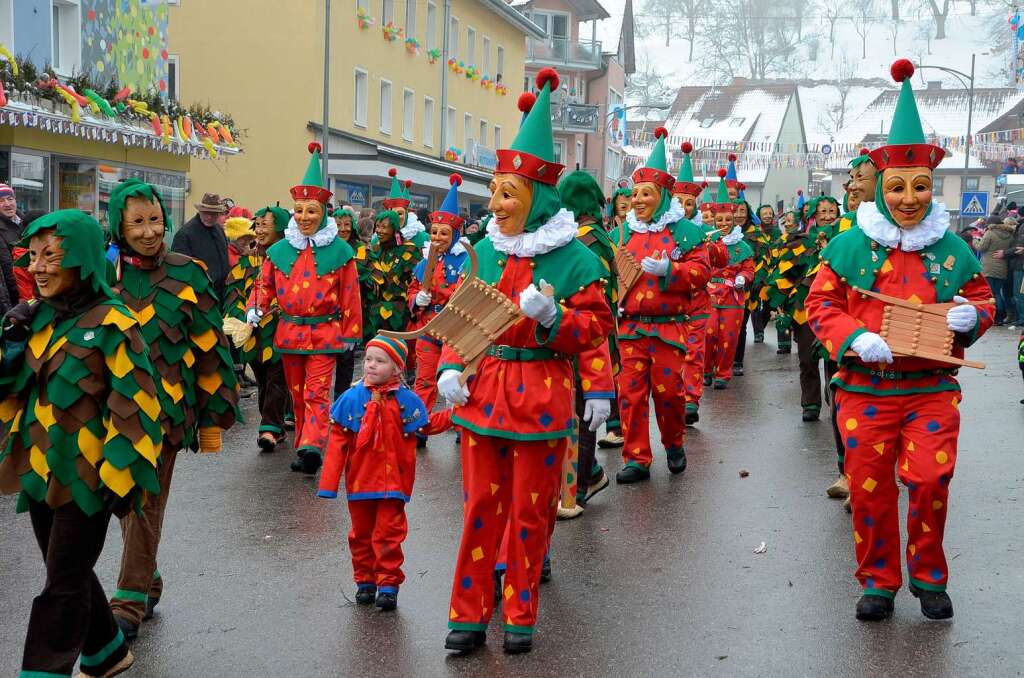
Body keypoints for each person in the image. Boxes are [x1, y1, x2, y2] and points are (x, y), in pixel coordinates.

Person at [806, 59, 995, 622]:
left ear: (930, 187)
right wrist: (854, 337)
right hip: (866, 389)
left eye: (919, 187)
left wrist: (973, 318)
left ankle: (929, 577)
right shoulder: (848, 247)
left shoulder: (953, 249)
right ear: (881, 188)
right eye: (897, 188)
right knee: (868, 489)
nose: (908, 198)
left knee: (931, 479)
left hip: (931, 387)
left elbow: (982, 298)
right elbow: (819, 304)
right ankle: (880, 581)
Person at [437, 68, 612, 655]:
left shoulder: (576, 258)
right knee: (480, 507)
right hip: (483, 394)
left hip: (540, 396)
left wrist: (551, 320)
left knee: (531, 512)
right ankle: (467, 613)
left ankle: (519, 613)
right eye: (494, 191)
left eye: (507, 194)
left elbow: (595, 331)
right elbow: (459, 318)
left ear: (536, 198)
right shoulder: (484, 250)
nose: (496, 203)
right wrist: (448, 367)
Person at [0, 209, 163, 678]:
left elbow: (136, 403)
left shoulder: (114, 323)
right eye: (33, 256)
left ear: (84, 259)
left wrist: (123, 471)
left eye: (51, 256)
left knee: (63, 581)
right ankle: (107, 651)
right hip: (39, 467)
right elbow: (10, 387)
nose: (38, 268)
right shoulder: (39, 318)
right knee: (64, 569)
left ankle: (43, 670)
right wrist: (10, 338)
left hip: (91, 476)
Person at [105, 178, 240, 641]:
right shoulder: (103, 278)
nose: (148, 231)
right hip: (112, 412)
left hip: (168, 413)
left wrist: (214, 420)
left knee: (145, 501)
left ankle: (127, 601)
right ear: (119, 226)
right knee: (123, 500)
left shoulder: (188, 273)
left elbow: (210, 349)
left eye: (155, 220)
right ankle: (148, 577)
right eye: (137, 222)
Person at [247, 143, 363, 476]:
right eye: (299, 211)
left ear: (323, 212)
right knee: (296, 395)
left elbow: (350, 295)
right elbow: (264, 285)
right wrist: (255, 308)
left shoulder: (340, 251)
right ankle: (304, 443)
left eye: (310, 211)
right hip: (289, 332)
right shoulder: (280, 250)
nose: (303, 218)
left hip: (325, 332)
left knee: (316, 391)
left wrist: (352, 333)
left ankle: (313, 446)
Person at [317, 336, 448, 611]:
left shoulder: (406, 400)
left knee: (389, 535)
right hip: (360, 483)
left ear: (397, 368)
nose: (371, 365)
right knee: (360, 535)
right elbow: (338, 444)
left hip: (393, 485)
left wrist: (458, 414)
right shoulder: (351, 398)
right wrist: (329, 485)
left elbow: (425, 426)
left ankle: (388, 585)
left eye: (380, 361)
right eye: (368, 359)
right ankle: (365, 580)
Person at [613, 127, 710, 484]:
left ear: (663, 197)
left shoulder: (684, 232)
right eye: (634, 193)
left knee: (669, 394)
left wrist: (672, 269)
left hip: (669, 327)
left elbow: (701, 271)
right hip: (630, 328)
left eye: (646, 194)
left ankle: (673, 442)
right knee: (631, 394)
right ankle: (637, 456)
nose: (637, 200)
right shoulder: (621, 234)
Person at [555, 169, 618, 518]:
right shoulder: (598, 236)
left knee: (582, 411)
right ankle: (589, 472)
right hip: (589, 332)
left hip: (584, 335)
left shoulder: (585, 242)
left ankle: (578, 486)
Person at [407, 174, 468, 437]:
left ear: (454, 234)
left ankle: (460, 422)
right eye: (434, 232)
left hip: (454, 330)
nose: (438, 237)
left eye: (444, 233)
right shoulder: (424, 262)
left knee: (454, 377)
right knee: (424, 379)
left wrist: (445, 294)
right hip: (428, 327)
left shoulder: (467, 260)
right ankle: (421, 425)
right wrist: (416, 299)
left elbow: (467, 291)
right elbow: (412, 288)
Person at [231, 205, 291, 452]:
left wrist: (276, 310)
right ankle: (276, 425)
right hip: (252, 333)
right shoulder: (247, 261)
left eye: (267, 225)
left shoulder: (291, 259)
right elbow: (233, 293)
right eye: (259, 225)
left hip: (281, 331)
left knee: (277, 377)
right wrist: (242, 315)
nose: (261, 230)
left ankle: (269, 428)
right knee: (264, 380)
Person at [704, 176, 755, 391]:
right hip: (710, 294)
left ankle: (723, 373)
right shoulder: (706, 243)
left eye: (727, 220)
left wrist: (744, 276)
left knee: (729, 337)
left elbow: (749, 268)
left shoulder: (742, 246)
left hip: (733, 296)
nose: (723, 224)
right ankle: (706, 369)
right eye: (720, 221)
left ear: (733, 220)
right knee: (709, 333)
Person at [361, 211, 422, 342]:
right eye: (377, 226)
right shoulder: (375, 249)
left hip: (401, 313)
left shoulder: (410, 250)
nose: (379, 231)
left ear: (394, 228)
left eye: (384, 227)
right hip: (376, 314)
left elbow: (416, 281)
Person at [171, 192, 230, 304]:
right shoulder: (185, 234)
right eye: (206, 212)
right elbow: (179, 271)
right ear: (200, 211)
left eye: (214, 214)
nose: (209, 217)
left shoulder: (219, 230)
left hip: (221, 294)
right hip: (200, 297)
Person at [333, 207, 365, 399]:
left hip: (352, 307)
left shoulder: (360, 248)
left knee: (346, 359)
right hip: (329, 310)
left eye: (346, 225)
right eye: (338, 225)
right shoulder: (325, 247)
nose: (342, 229)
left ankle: (341, 398)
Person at [976, 215, 1017, 325]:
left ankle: (993, 317)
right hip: (1002, 268)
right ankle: (1000, 317)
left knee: (990, 293)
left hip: (989, 267)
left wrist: (975, 240)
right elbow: (1011, 251)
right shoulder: (1010, 235)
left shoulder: (990, 233)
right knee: (997, 293)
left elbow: (981, 248)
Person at [0, 182, 28, 303]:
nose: (7, 204)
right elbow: (7, 267)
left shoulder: (27, 223)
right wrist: (18, 295)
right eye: (1, 201)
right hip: (19, 294)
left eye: (10, 199)